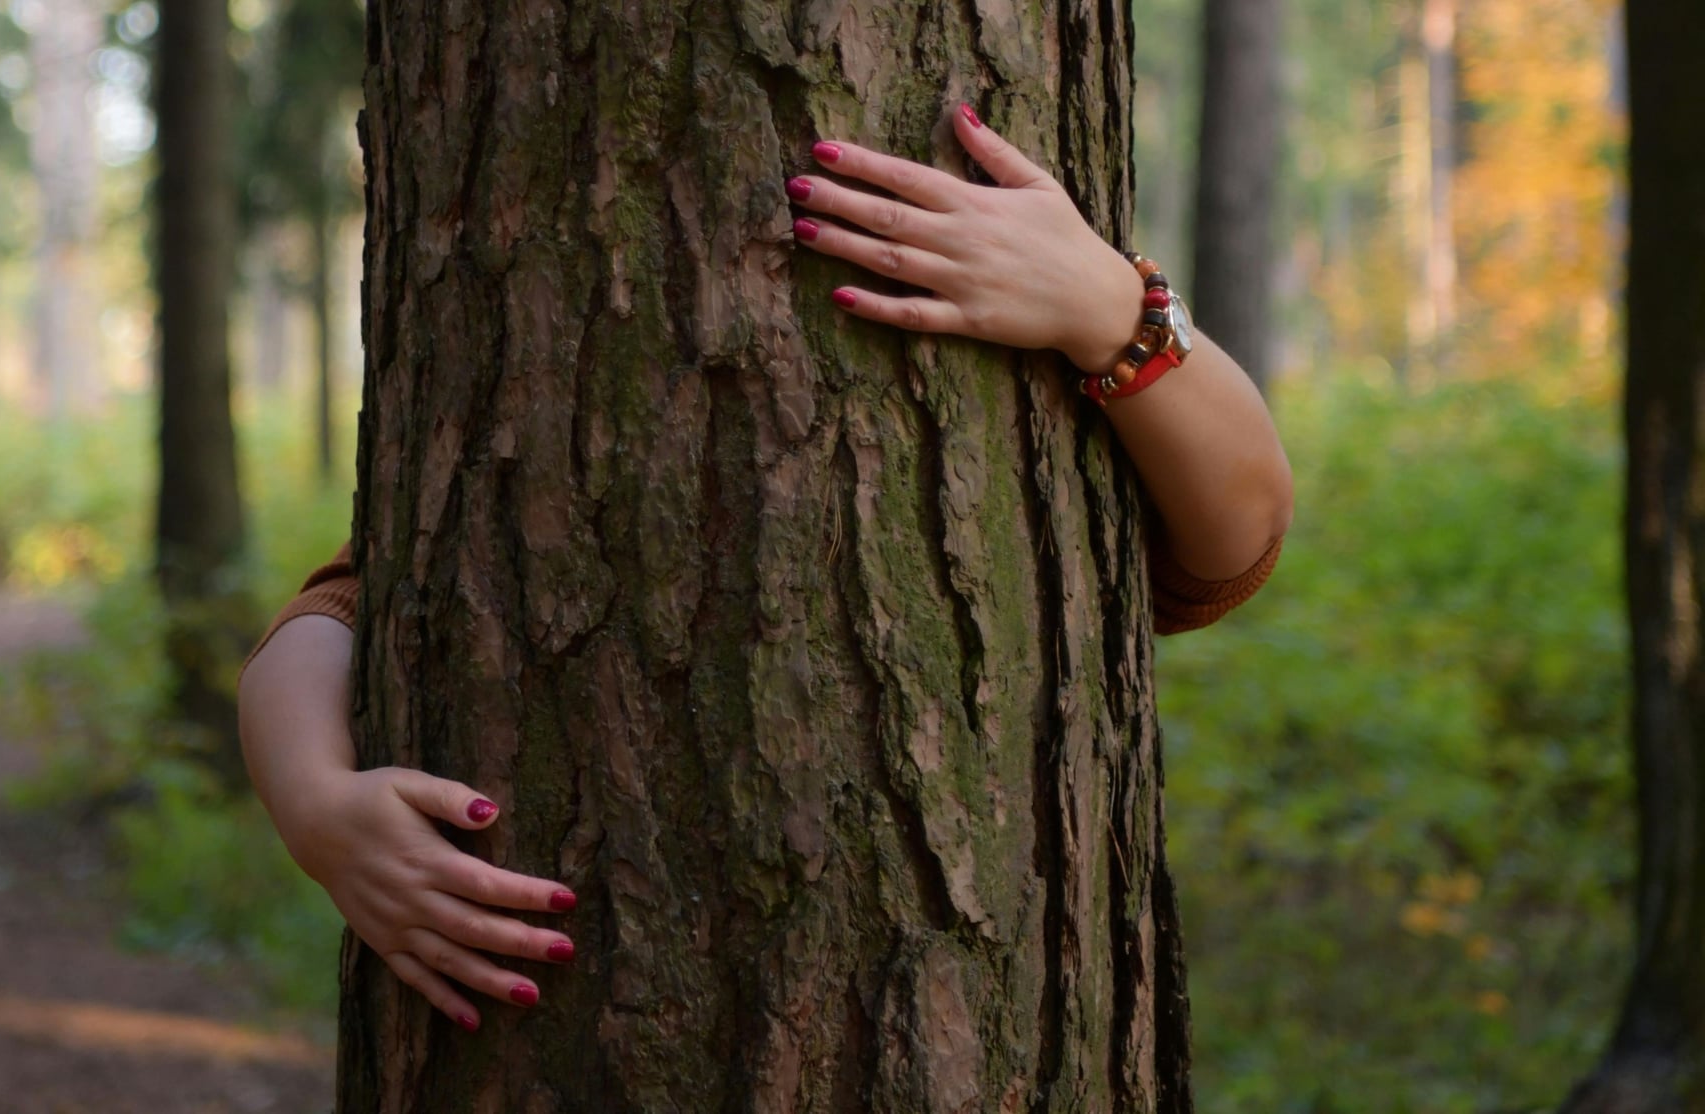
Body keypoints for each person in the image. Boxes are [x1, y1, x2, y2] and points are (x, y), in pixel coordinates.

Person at [236, 105, 1293, 1034]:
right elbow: (346, 599)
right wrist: (315, 803)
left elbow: (1227, 550)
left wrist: (1113, 307)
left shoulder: (1047, 308)